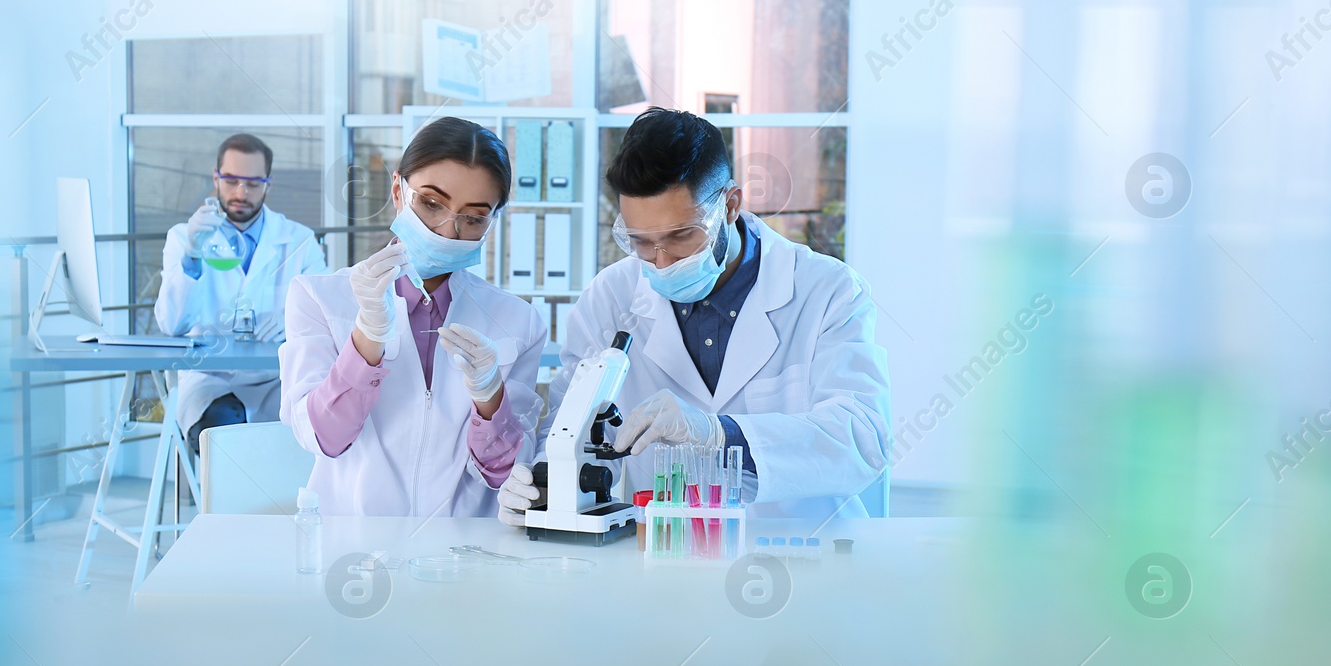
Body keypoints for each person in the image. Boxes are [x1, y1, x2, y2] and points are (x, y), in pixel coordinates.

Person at [499, 106, 891, 526]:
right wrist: (546, 483)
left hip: (800, 548)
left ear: (730, 205)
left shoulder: (827, 290)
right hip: (664, 551)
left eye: (681, 235)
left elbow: (863, 438)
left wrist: (721, 435)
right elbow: (570, 425)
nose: (662, 262)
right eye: (641, 242)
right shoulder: (609, 298)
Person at [280, 118, 545, 517]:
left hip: (465, 556)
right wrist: (366, 339)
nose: (446, 230)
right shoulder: (319, 298)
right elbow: (324, 437)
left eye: (472, 218)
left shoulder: (518, 321)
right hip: (351, 552)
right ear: (398, 192)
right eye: (432, 203)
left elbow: (505, 475)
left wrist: (490, 397)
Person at [154, 133, 327, 455]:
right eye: (231, 180)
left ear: (268, 184)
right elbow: (171, 325)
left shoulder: (299, 241)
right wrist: (192, 256)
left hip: (277, 378)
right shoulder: (183, 238)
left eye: (252, 183)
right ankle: (221, 507)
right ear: (216, 177)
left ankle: (294, 505)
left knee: (314, 425)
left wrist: (292, 319)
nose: (240, 193)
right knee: (225, 428)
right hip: (210, 377)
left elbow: (326, 314)